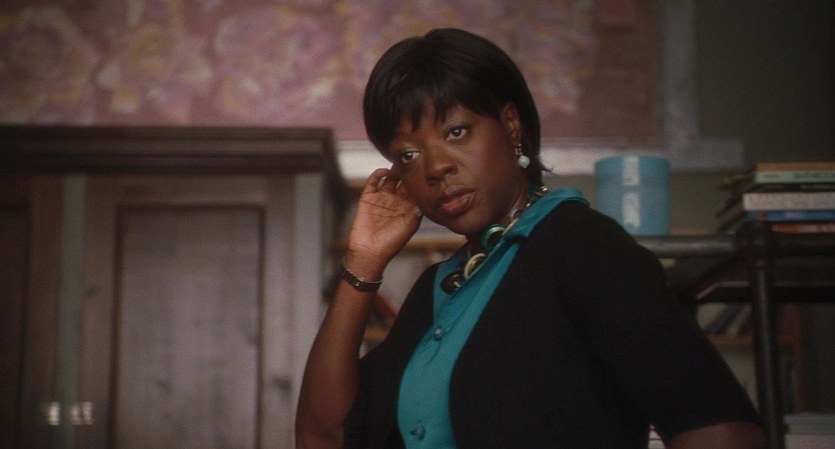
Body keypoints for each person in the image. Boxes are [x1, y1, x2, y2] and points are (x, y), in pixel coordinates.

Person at [296, 28, 765, 449]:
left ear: (511, 125)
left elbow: (722, 432)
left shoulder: (582, 246)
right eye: (408, 154)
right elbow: (324, 437)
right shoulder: (438, 289)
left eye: (456, 131)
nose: (435, 166)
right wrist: (364, 261)